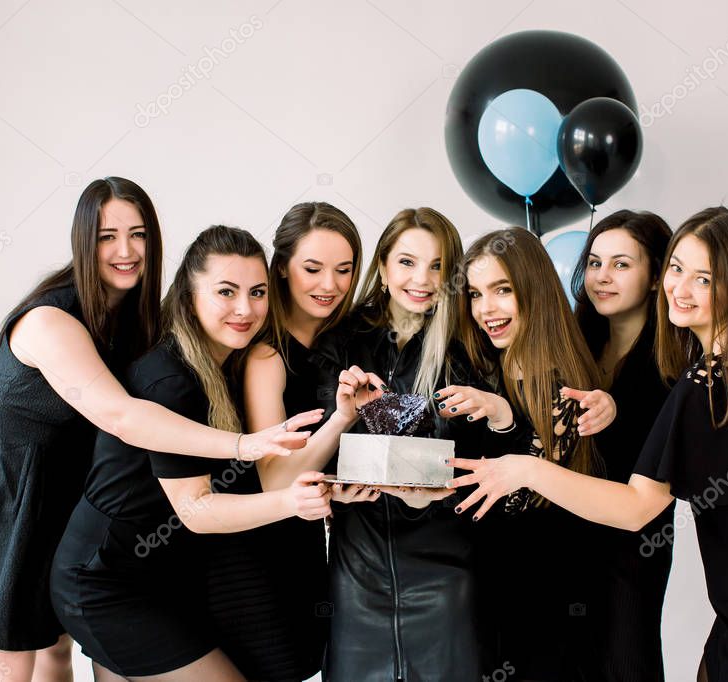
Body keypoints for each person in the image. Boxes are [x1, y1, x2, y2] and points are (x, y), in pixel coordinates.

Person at [0, 179, 307, 682]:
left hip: (68, 484)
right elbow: (124, 418)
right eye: (107, 236)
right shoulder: (50, 319)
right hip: (2, 487)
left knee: (57, 648)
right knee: (7, 661)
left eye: (138, 235)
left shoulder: (136, 317)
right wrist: (244, 445)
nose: (126, 251)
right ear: (82, 241)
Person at [451, 207, 728, 682]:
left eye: (704, 279)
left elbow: (637, 508)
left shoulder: (701, 385)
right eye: (678, 270)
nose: (680, 289)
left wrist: (525, 470)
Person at [50, 225, 331, 681]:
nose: (245, 309)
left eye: (257, 292)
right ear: (189, 293)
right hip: (105, 580)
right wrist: (291, 502)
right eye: (226, 292)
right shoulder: (173, 379)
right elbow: (196, 510)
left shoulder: (226, 365)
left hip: (157, 577)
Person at [311, 207, 483, 681]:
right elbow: (317, 442)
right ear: (383, 267)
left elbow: (470, 459)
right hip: (357, 568)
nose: (421, 280)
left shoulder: (467, 347)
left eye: (437, 266)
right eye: (407, 262)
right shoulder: (340, 339)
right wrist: (332, 490)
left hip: (446, 568)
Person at [444, 226, 615, 680]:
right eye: (477, 294)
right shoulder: (505, 359)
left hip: (544, 601)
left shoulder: (556, 376)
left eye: (502, 290)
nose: (486, 309)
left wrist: (501, 417)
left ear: (533, 290)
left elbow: (519, 502)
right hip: (507, 591)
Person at [240, 202, 377, 679]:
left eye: (344, 270)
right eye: (312, 269)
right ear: (281, 268)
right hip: (262, 553)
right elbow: (275, 478)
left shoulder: (348, 339)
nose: (330, 285)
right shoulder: (266, 355)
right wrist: (340, 420)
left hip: (317, 549)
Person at [570, 210, 675, 681]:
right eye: (594, 262)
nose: (602, 277)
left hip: (635, 545)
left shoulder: (674, 361)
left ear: (656, 277)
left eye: (621, 264)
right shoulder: (576, 344)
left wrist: (617, 410)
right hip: (566, 535)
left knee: (626, 658)